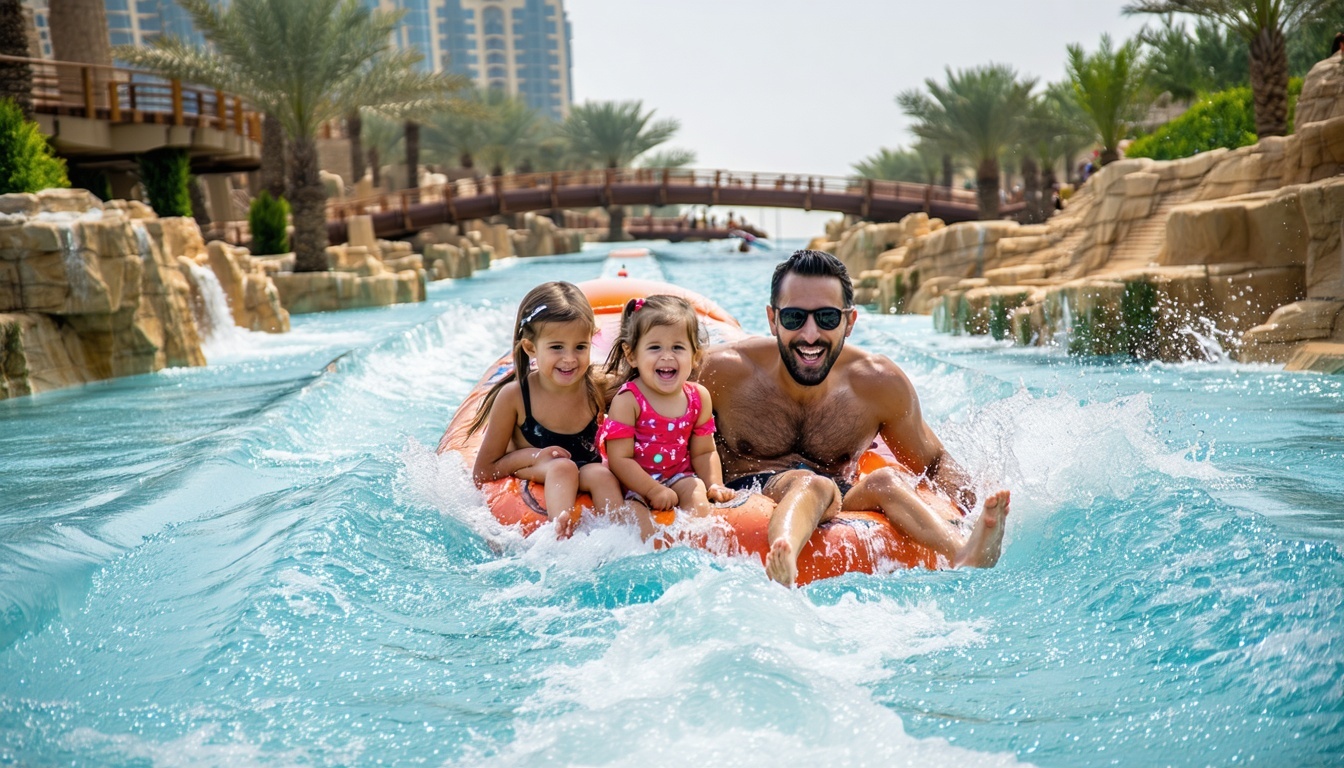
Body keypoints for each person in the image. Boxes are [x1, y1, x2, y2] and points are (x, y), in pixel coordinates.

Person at [699, 250, 1010, 586]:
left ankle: (963, 552)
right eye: (793, 318)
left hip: (839, 497)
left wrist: (976, 509)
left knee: (887, 481)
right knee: (810, 482)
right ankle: (784, 550)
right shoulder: (720, 373)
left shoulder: (876, 384)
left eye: (827, 318)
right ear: (772, 319)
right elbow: (647, 419)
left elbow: (933, 464)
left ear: (849, 321)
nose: (810, 334)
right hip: (744, 494)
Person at [469, 281, 622, 538]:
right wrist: (533, 457)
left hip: (585, 469)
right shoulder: (515, 397)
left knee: (601, 475)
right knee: (562, 467)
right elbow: (483, 471)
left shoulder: (597, 386)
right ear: (531, 348)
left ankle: (623, 538)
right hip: (535, 468)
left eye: (580, 347)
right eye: (556, 347)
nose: (569, 358)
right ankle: (559, 536)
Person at [598, 295, 735, 539]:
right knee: (634, 516)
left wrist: (715, 483)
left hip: (678, 477)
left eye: (678, 347)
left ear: (695, 356)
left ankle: (691, 549)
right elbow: (620, 460)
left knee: (697, 492)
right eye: (654, 347)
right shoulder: (628, 400)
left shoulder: (698, 397)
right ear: (632, 356)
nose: (667, 356)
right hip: (633, 486)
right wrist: (651, 489)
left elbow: (704, 451)